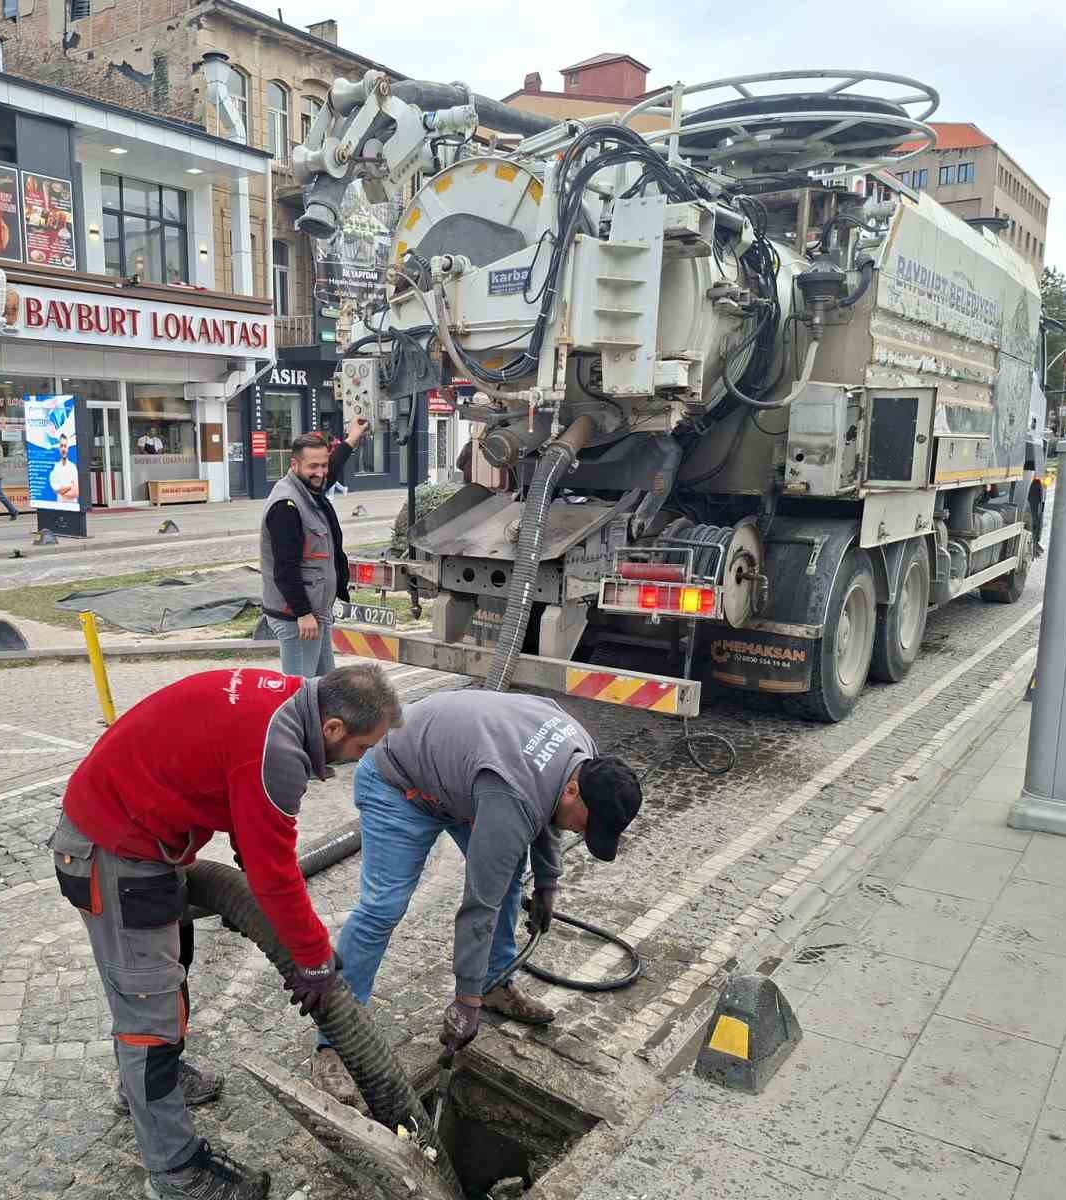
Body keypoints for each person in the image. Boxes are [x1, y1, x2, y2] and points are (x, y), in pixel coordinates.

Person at [46, 663, 403, 1200]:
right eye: (362, 747)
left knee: (171, 969)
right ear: (332, 728)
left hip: (138, 837)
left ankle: (145, 1085)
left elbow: (251, 833)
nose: (361, 759)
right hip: (112, 852)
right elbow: (271, 871)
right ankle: (175, 1172)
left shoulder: (286, 702)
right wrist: (313, 961)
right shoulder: (277, 752)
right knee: (150, 1017)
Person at [308, 691, 642, 1105]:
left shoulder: (583, 755)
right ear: (575, 789)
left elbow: (547, 814)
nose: (579, 833)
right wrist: (465, 1003)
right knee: (383, 908)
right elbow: (478, 904)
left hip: (463, 781)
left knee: (508, 876)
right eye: (584, 826)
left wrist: (547, 882)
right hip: (399, 782)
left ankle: (495, 984)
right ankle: (333, 1043)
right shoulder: (515, 793)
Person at [260, 418, 369, 678]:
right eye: (313, 466)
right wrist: (303, 613)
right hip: (298, 619)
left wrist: (352, 437)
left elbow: (331, 470)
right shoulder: (286, 506)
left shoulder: (309, 488)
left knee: (324, 688)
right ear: (294, 464)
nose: (321, 473)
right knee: (301, 693)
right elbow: (285, 569)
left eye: (324, 465)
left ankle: (321, 720)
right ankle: (295, 721)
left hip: (315, 613)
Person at [49, 432, 79, 504]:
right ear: (59, 448)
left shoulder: (73, 467)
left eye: (65, 446)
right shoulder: (56, 468)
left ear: (68, 448)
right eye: (61, 446)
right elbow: (55, 490)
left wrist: (61, 491)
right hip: (60, 506)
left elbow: (76, 492)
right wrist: (70, 486)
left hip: (72, 506)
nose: (63, 449)